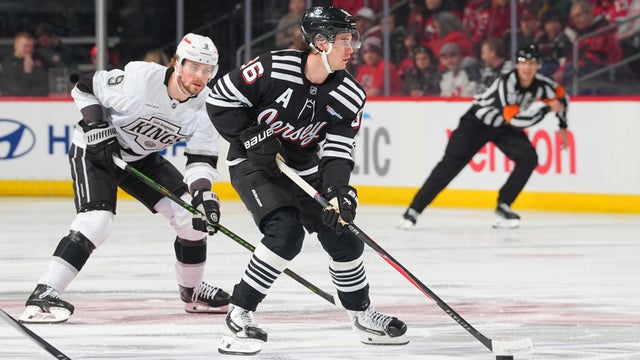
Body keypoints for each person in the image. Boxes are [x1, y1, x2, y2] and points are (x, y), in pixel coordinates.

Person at [206, 6, 409, 355]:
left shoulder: (351, 94)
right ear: (319, 42)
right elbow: (218, 98)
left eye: (352, 39)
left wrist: (339, 192)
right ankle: (240, 314)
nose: (352, 48)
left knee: (344, 237)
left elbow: (339, 151)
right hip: (253, 165)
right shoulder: (272, 67)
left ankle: (361, 315)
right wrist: (251, 136)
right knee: (285, 234)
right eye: (344, 40)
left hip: (303, 168)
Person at [18, 33, 231, 324]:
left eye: (208, 70)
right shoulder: (141, 79)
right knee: (97, 220)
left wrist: (203, 195)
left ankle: (192, 293)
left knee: (191, 220)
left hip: (141, 159)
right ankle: (45, 292)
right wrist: (95, 125)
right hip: (96, 150)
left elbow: (201, 160)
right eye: (194, 67)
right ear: (177, 63)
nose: (200, 76)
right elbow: (84, 86)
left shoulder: (207, 108)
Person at [397, 44, 569, 230]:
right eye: (523, 63)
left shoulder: (542, 84)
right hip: (476, 124)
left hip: (502, 126)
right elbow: (516, 120)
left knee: (529, 158)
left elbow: (561, 98)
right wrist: (545, 109)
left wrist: (562, 126)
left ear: (538, 66)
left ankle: (504, 205)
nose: (527, 68)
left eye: (532, 63)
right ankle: (414, 210)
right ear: (517, 65)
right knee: (449, 166)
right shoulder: (507, 83)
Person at [0, 31, 48, 96]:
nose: (28, 50)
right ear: (16, 46)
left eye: (31, 46)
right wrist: (27, 72)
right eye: (25, 46)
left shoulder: (37, 60)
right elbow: (15, 92)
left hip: (39, 101)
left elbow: (45, 87)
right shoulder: (7, 65)